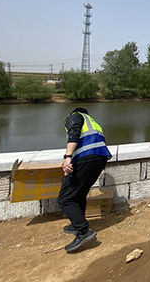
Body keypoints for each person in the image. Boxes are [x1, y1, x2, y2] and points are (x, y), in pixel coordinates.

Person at [57, 108, 112, 253]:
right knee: (79, 193)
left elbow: (73, 134)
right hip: (100, 159)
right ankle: (77, 224)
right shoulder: (94, 123)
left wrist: (67, 157)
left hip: (86, 159)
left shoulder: (75, 117)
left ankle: (83, 231)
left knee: (65, 198)